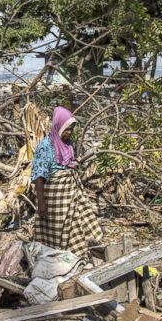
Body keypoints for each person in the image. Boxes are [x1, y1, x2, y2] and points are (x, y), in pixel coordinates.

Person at [31, 106, 102, 255]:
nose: (69, 132)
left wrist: (73, 163)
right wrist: (41, 203)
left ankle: (78, 253)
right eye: (67, 129)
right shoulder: (46, 146)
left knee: (77, 223)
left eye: (72, 129)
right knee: (56, 232)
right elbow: (39, 176)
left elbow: (66, 162)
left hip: (71, 193)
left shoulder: (67, 145)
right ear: (58, 126)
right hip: (54, 199)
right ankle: (55, 257)